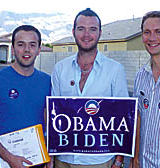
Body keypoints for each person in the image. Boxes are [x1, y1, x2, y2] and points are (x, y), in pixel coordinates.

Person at [51, 8, 128, 168]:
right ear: (73, 32)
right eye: (81, 29)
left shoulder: (115, 70)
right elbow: (54, 116)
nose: (87, 35)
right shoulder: (60, 69)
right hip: (64, 159)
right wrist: (51, 158)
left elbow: (123, 117)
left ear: (100, 33)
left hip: (99, 160)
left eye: (92, 29)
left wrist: (119, 160)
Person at [0, 25, 51, 168]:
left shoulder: (47, 82)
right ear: (13, 49)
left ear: (39, 49)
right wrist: (9, 158)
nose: (26, 50)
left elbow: (49, 124)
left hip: (38, 162)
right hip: (6, 162)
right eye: (21, 44)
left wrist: (49, 154)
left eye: (32, 45)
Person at [131, 11, 160, 168]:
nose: (152, 38)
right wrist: (135, 158)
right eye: (147, 32)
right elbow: (138, 119)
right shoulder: (140, 76)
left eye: (158, 32)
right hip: (143, 163)